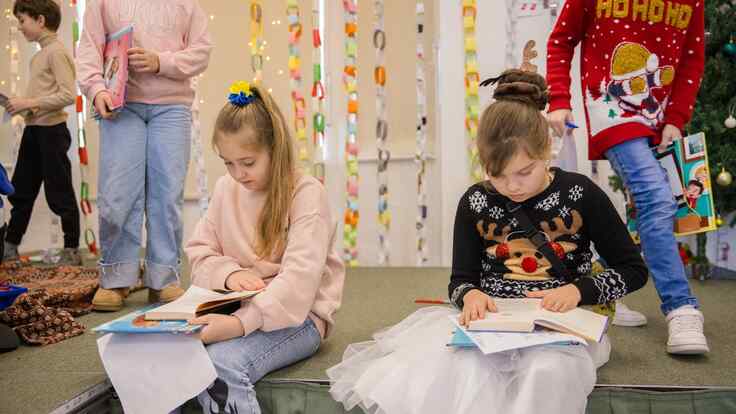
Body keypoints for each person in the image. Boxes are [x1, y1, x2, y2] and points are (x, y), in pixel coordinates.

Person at [327, 70, 648, 414]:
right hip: (495, 327)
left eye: (524, 172)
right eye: (497, 175)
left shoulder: (580, 193)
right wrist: (472, 295)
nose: (512, 187)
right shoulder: (475, 201)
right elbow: (460, 282)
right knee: (461, 372)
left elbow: (633, 269)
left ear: (547, 152)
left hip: (563, 329)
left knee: (546, 374)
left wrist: (577, 291)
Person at [546, 0, 709, 354]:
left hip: (659, 113)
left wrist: (676, 118)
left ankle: (602, 284)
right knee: (655, 196)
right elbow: (562, 39)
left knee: (646, 209)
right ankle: (680, 306)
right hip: (610, 109)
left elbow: (692, 57)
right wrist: (559, 98)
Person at [183, 82, 345, 414]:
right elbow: (200, 252)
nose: (237, 174)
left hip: (298, 318)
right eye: (228, 163)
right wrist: (230, 275)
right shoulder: (227, 188)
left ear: (275, 148)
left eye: (247, 162)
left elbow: (299, 283)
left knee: (222, 364)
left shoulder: (306, 193)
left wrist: (240, 324)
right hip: (234, 308)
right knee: (166, 355)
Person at [76, 0, 213, 311]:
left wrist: (160, 62)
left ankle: (164, 278)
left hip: (172, 106)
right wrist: (96, 89)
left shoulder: (187, 5)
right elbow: (88, 48)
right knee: (117, 194)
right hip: (120, 105)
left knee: (166, 194)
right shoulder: (102, 3)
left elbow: (201, 51)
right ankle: (116, 278)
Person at [3, 0, 81, 266]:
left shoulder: (56, 52)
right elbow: (42, 98)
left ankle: (71, 249)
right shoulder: (38, 56)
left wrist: (28, 103)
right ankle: (10, 245)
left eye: (22, 20)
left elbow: (68, 94)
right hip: (34, 130)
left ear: (40, 20)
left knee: (59, 191)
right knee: (21, 189)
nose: (20, 27)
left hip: (52, 133)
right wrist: (21, 106)